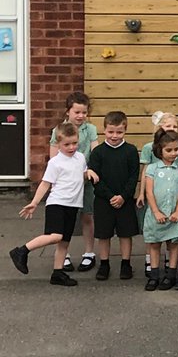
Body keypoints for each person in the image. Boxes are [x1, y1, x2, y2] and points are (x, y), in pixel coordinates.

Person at [11, 121, 87, 286]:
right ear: (58, 144)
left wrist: (91, 172)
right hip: (57, 203)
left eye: (74, 143)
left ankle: (57, 273)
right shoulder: (55, 162)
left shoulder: (80, 157)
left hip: (73, 204)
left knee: (64, 241)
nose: (71, 147)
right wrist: (34, 202)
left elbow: (83, 172)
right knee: (55, 236)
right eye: (67, 144)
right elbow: (45, 183)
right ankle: (21, 251)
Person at [88, 110, 141, 281]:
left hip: (124, 200)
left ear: (125, 130)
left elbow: (134, 176)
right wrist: (110, 196)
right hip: (104, 200)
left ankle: (126, 264)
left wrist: (123, 196)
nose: (114, 136)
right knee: (104, 234)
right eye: (111, 132)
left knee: (126, 233)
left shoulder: (131, 151)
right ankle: (104, 263)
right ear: (104, 130)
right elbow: (95, 178)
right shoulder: (98, 152)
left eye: (119, 132)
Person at [49, 92, 97, 273]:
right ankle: (64, 254)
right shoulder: (58, 130)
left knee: (87, 215)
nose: (80, 116)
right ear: (68, 111)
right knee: (63, 220)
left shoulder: (90, 129)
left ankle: (89, 253)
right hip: (65, 183)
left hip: (85, 180)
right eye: (77, 112)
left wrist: (89, 171)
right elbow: (53, 158)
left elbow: (95, 152)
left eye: (84, 112)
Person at [142, 129, 178, 291]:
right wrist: (156, 212)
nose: (173, 153)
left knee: (173, 244)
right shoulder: (152, 169)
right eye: (169, 150)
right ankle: (154, 275)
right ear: (159, 150)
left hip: (173, 214)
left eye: (176, 149)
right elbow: (149, 192)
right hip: (157, 214)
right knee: (155, 244)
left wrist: (177, 211)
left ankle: (171, 275)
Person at [136, 111, 178, 276]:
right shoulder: (149, 147)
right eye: (168, 126)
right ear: (160, 127)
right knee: (153, 229)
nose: (172, 128)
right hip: (154, 194)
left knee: (171, 229)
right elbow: (145, 170)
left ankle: (169, 259)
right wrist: (141, 193)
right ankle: (150, 260)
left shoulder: (176, 148)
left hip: (172, 195)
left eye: (175, 126)